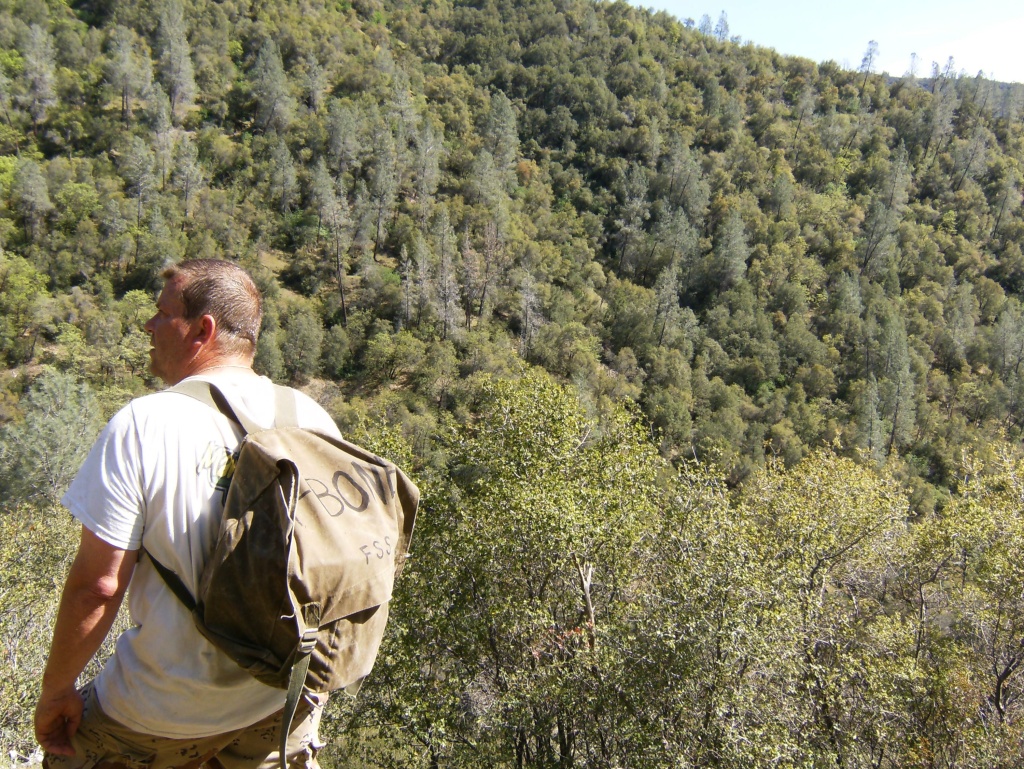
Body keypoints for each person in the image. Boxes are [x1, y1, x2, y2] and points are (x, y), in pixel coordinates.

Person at [34, 259, 341, 769]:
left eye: (162, 314)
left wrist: (56, 692)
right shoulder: (312, 419)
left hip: (157, 711)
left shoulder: (145, 423)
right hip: (278, 703)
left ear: (203, 330)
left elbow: (99, 586)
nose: (150, 327)